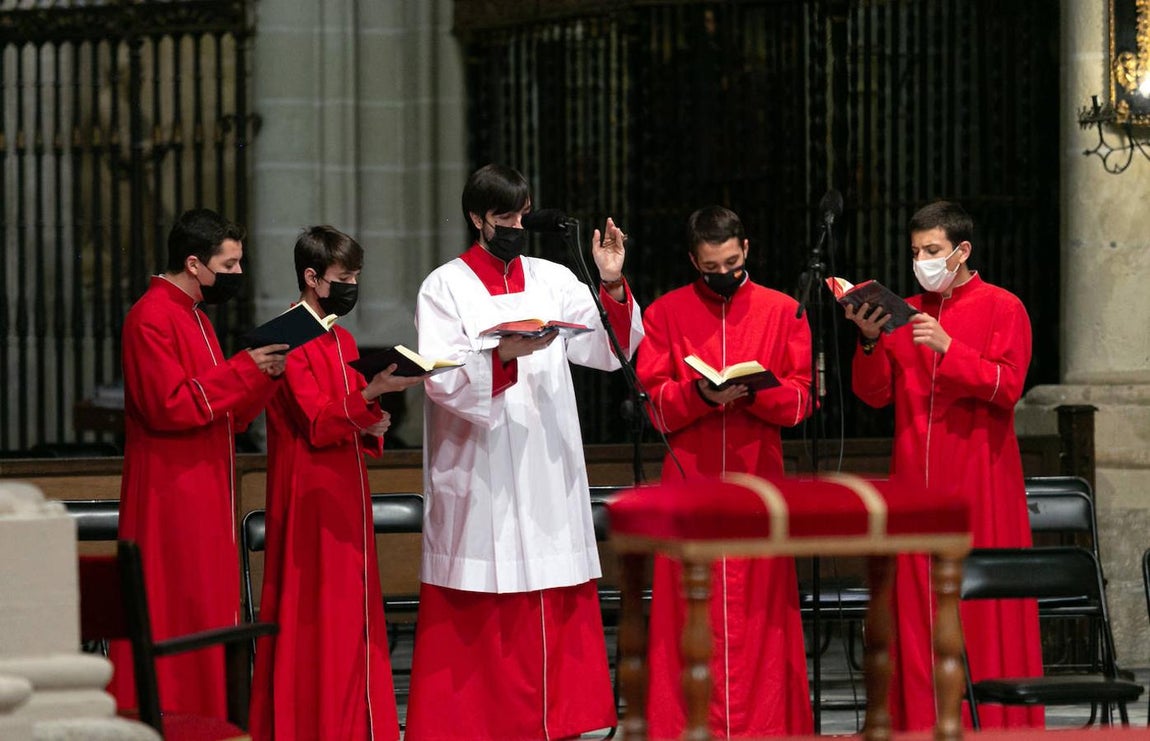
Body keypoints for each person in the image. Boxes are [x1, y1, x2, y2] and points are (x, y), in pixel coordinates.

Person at [404, 163, 643, 741]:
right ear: (476, 218)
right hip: (479, 465)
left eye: (520, 213)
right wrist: (504, 353)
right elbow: (439, 379)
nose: (514, 226)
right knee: (482, 604)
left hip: (545, 459)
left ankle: (558, 724)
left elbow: (611, 349)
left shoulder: (552, 275)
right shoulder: (444, 286)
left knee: (552, 590)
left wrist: (611, 284)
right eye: (502, 218)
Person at [843, 200, 1043, 731]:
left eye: (932, 251)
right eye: (915, 252)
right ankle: (916, 724)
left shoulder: (1004, 307)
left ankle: (992, 727)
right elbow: (875, 394)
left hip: (980, 482)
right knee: (914, 610)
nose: (922, 261)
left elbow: (1007, 387)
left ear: (962, 250)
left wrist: (950, 348)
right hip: (913, 485)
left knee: (980, 613)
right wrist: (867, 340)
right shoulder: (905, 310)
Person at [635, 205, 814, 738]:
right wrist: (700, 394)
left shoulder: (785, 310)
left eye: (732, 262)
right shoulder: (665, 313)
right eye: (711, 267)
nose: (723, 275)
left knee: (761, 615)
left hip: (758, 480)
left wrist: (758, 392)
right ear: (694, 260)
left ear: (747, 250)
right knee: (683, 616)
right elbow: (656, 405)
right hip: (689, 483)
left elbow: (803, 401)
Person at [113, 208, 287, 718]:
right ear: (194, 263)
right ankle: (172, 715)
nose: (236, 275)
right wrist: (241, 370)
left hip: (204, 487)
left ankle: (211, 717)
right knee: (176, 607)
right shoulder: (150, 316)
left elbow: (224, 416)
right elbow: (169, 406)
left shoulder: (195, 317)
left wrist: (263, 376)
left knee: (206, 608)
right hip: (171, 492)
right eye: (228, 265)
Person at [250, 226, 422, 740]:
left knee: (351, 612)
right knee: (316, 613)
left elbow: (346, 411)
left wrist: (373, 416)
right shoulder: (282, 334)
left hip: (346, 485)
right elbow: (314, 419)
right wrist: (371, 393)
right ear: (312, 277)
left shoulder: (339, 336)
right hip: (307, 490)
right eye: (343, 277)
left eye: (355, 277)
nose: (351, 286)